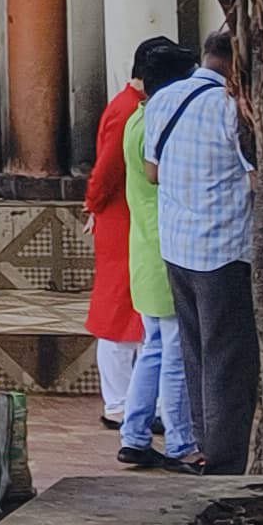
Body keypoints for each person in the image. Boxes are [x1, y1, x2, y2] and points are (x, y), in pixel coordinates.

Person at [146, 28, 258, 473]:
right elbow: (256, 180)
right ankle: (228, 460)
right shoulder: (233, 110)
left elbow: (152, 172)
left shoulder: (163, 100)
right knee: (228, 358)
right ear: (237, 65)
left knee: (195, 352)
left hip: (176, 247)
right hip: (223, 251)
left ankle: (204, 445)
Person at [94, 36, 199, 469]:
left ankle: (135, 433)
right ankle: (179, 442)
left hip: (145, 247)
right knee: (172, 349)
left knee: (156, 345)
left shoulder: (139, 117)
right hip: (164, 247)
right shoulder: (152, 120)